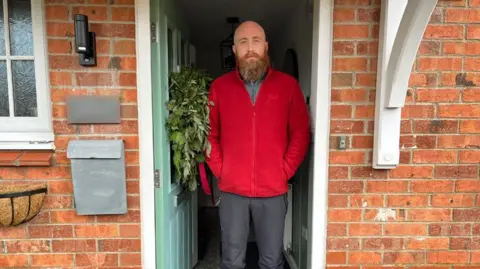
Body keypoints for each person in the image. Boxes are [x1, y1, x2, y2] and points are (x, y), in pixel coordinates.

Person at [206, 20, 311, 269]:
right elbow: (209, 135)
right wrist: (223, 171)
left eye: (255, 41)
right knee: (231, 261)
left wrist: (283, 171)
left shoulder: (288, 87)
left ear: (266, 47)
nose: (250, 48)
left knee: (272, 262)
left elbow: (300, 133)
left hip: (273, 192)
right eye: (243, 42)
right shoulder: (219, 88)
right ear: (235, 50)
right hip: (232, 193)